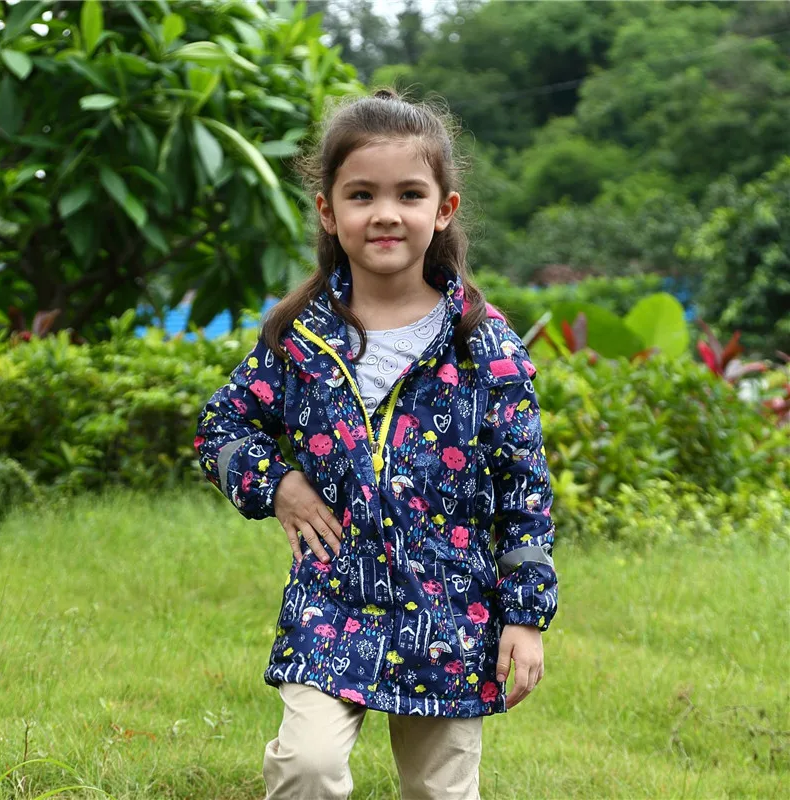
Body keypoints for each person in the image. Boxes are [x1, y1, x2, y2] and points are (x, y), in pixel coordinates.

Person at [195, 88, 558, 800]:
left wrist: (526, 617)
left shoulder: (485, 345)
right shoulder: (300, 337)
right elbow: (221, 426)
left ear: (443, 209)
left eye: (409, 194)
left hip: (451, 614)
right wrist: (279, 484)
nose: (385, 213)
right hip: (330, 606)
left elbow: (526, 488)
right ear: (329, 211)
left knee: (440, 790)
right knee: (307, 765)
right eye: (361, 194)